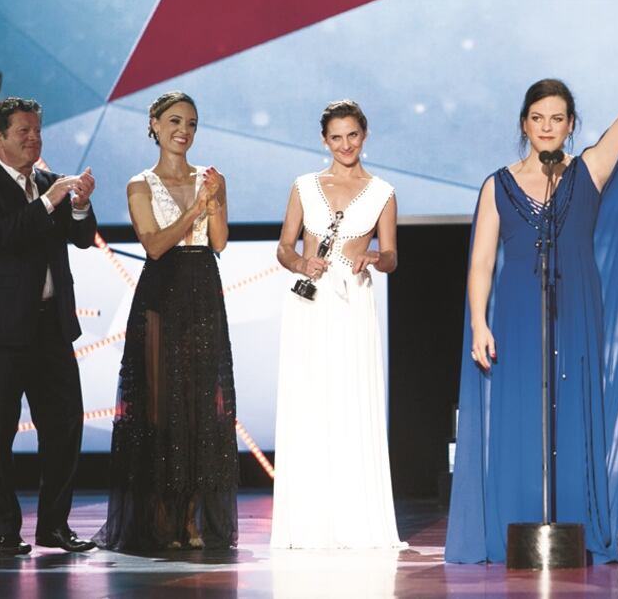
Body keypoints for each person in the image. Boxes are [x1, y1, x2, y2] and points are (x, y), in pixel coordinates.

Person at [446, 25, 618, 564]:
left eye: (558, 119)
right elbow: (480, 262)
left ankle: (576, 523)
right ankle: (514, 526)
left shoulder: (587, 169)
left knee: (571, 415)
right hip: (518, 318)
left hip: (575, 314)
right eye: (537, 118)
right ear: (524, 124)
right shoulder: (495, 186)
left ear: (571, 127)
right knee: (522, 419)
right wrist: (479, 322)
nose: (547, 127)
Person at [94, 91, 238, 551]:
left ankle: (193, 518)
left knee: (201, 407)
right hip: (162, 294)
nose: (184, 130)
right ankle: (160, 516)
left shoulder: (212, 178)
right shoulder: (141, 183)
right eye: (175, 121)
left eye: (192, 123)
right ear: (154, 124)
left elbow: (218, 242)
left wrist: (212, 202)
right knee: (161, 409)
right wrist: (196, 208)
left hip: (202, 290)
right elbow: (154, 245)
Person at [0, 97, 98, 556]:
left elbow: (80, 240)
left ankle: (54, 526)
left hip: (51, 328)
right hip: (1, 333)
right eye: (24, 131)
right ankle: (4, 532)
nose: (34, 138)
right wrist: (50, 202)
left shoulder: (49, 183)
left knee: (64, 426)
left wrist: (78, 205)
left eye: (37, 130)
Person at [271, 99, 404, 549]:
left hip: (352, 304)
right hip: (310, 303)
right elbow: (283, 248)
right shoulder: (305, 186)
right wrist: (301, 263)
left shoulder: (382, 191)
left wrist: (374, 257)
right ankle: (308, 523)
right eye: (336, 137)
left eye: (353, 135)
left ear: (364, 135)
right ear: (324, 140)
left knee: (350, 403)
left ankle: (353, 521)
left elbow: (391, 256)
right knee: (310, 402)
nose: (345, 144)